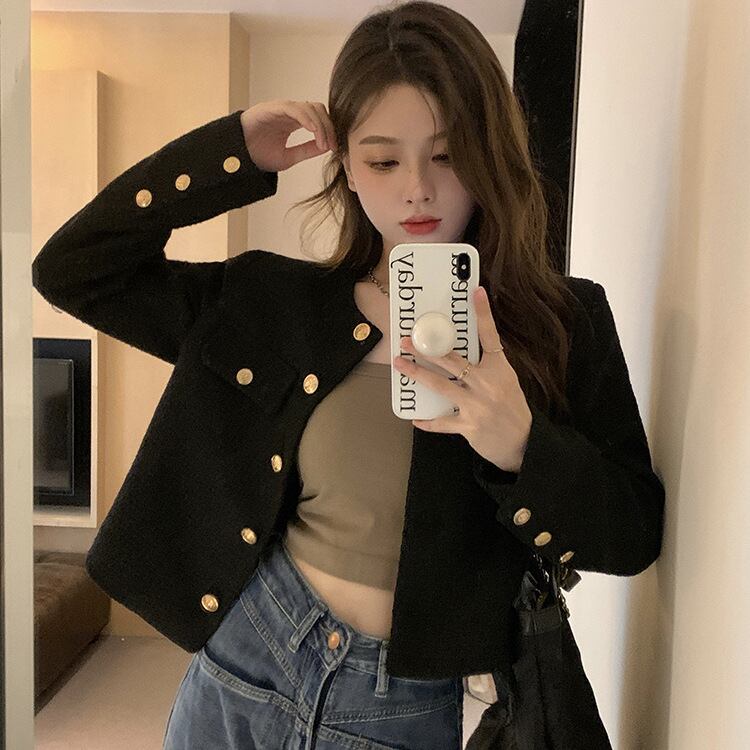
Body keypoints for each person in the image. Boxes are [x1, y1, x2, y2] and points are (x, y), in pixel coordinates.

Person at [31, 2, 665, 749]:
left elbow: (632, 535)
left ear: (491, 153)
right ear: (347, 170)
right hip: (243, 663)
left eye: (448, 154)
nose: (418, 189)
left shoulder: (564, 322)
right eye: (383, 160)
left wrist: (523, 446)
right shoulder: (270, 302)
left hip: (402, 706)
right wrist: (230, 154)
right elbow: (73, 270)